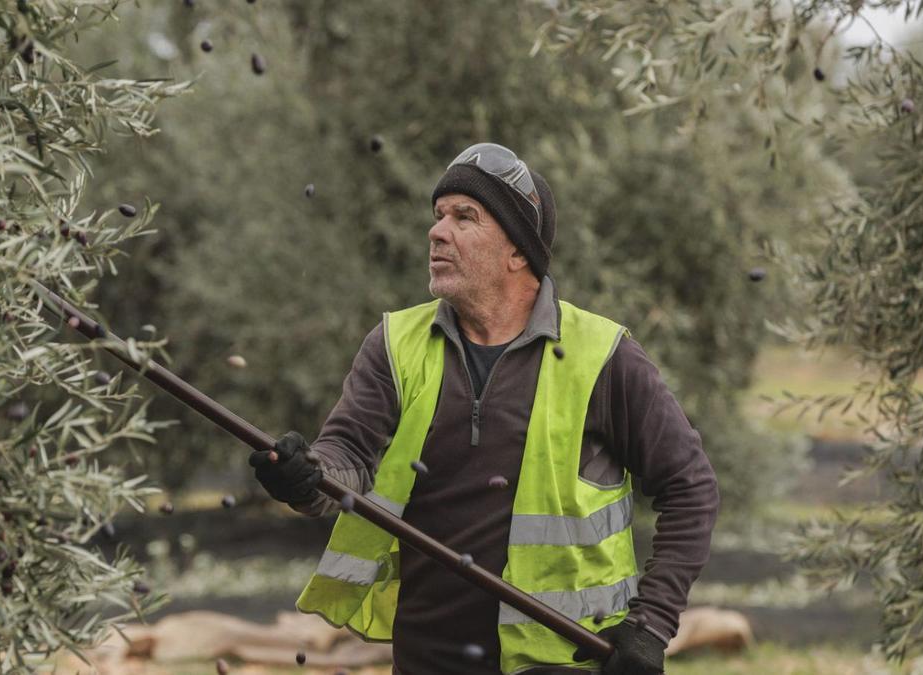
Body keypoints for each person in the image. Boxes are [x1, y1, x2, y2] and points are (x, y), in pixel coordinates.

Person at [250, 142, 719, 675]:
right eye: (438, 215)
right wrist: (307, 477)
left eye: (464, 216)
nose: (437, 231)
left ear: (518, 250)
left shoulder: (603, 355)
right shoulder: (395, 342)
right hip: (427, 659)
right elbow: (347, 457)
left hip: (563, 662)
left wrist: (650, 627)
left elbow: (691, 487)